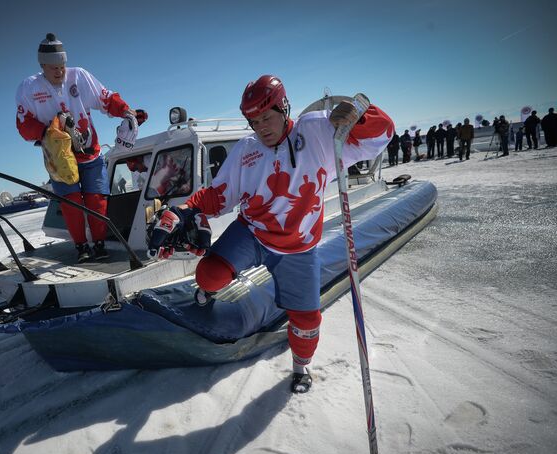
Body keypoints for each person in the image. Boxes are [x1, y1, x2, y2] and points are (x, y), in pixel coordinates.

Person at [147, 75, 393, 394]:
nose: (261, 126)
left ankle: (301, 368)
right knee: (208, 275)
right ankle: (206, 293)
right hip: (252, 232)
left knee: (307, 323)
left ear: (284, 107)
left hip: (299, 249)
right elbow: (219, 194)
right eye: (253, 121)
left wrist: (360, 116)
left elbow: (383, 132)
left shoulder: (316, 131)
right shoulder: (247, 150)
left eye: (266, 117)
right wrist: (183, 210)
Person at [15, 33, 147, 263]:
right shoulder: (29, 87)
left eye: (62, 65)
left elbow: (106, 98)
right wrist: (48, 131)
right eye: (54, 67)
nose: (59, 71)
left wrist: (127, 111)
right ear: (42, 65)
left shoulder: (79, 77)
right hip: (59, 157)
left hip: (89, 152)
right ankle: (81, 247)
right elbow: (24, 125)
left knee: (97, 199)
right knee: (72, 202)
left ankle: (98, 243)